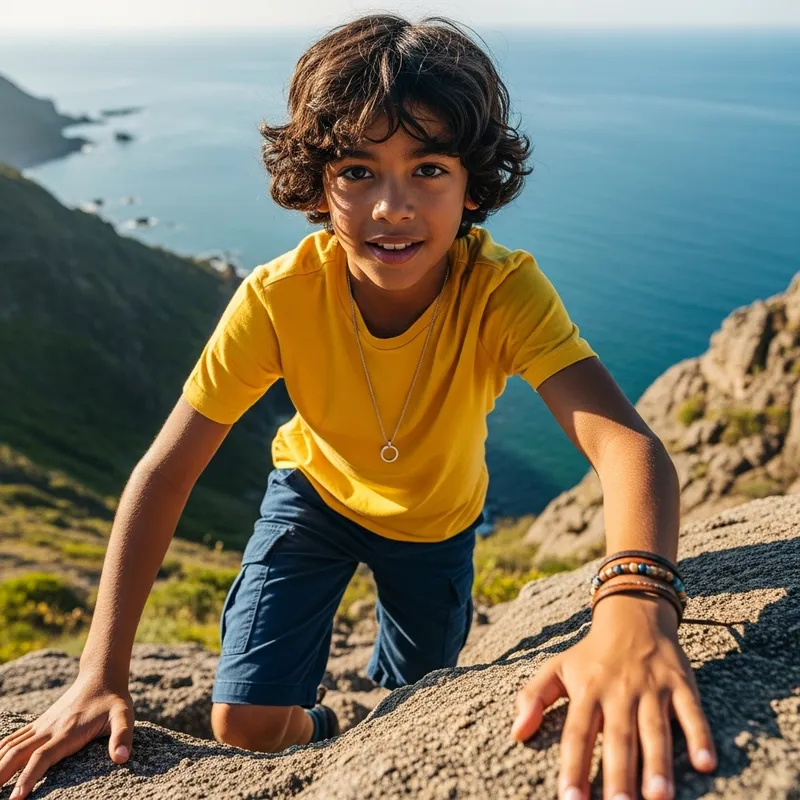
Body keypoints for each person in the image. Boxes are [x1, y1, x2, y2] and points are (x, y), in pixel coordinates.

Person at [0, 14, 718, 800]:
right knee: (241, 721)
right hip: (313, 498)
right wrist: (99, 674)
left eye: (429, 168)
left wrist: (636, 608)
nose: (392, 207)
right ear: (317, 182)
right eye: (357, 171)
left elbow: (626, 447)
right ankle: (329, 726)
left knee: (423, 693)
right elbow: (166, 472)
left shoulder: (502, 291)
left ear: (474, 182)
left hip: (438, 523)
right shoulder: (278, 301)